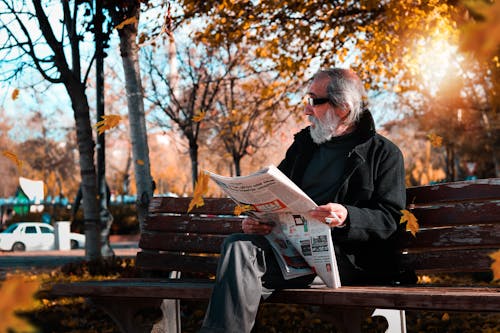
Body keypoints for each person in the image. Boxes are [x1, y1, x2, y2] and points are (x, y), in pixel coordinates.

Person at [199, 68, 413, 333]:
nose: (306, 110)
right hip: (292, 252)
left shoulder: (384, 154)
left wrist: (347, 216)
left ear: (344, 107)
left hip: (346, 260)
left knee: (243, 272)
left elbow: (391, 219)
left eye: (314, 101)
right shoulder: (304, 147)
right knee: (239, 246)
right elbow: (273, 191)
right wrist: (256, 218)